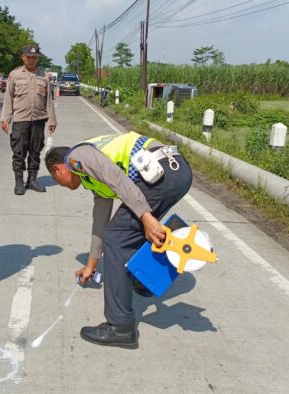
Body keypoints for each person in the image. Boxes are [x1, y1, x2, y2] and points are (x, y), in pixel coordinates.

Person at [44, 131, 193, 349]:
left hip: (162, 173)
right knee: (126, 231)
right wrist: (91, 264)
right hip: (175, 172)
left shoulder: (77, 157)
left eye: (58, 180)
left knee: (118, 237)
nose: (63, 185)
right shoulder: (91, 177)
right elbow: (101, 220)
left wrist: (145, 215)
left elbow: (117, 178)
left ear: (58, 169)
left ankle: (120, 326)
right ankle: (144, 281)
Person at [0, 44, 57, 195]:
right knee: (19, 152)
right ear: (23, 57)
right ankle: (19, 182)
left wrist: (52, 120)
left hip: (38, 120)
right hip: (20, 120)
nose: (31, 60)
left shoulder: (44, 76)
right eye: (29, 57)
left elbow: (48, 100)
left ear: (38, 58)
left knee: (35, 151)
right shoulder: (15, 75)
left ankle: (32, 180)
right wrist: (5, 118)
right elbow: (9, 98)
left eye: (34, 57)